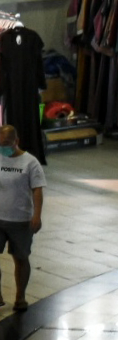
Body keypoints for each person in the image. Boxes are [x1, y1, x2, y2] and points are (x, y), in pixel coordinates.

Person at [0, 125, 44, 311]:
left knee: (21, 258)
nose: (4, 148)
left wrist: (37, 215)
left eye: (7, 144)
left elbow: (37, 190)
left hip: (21, 220)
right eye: (1, 144)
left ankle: (20, 297)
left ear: (16, 141)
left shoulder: (30, 162)